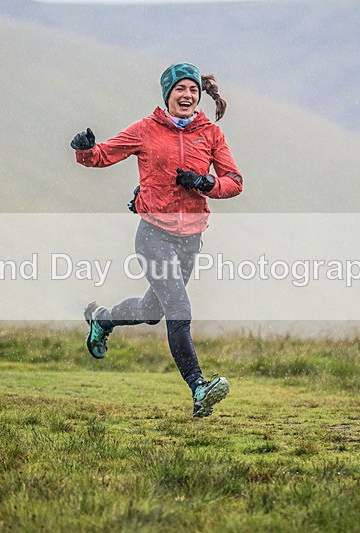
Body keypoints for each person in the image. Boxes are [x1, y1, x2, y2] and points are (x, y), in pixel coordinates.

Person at [70, 63, 243, 417]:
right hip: (153, 236)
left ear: (199, 96)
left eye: (192, 90)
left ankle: (102, 320)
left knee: (153, 312)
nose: (187, 95)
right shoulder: (146, 130)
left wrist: (205, 183)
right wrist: (84, 150)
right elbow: (101, 156)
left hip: (190, 239)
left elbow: (234, 181)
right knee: (179, 309)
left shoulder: (210, 134)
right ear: (167, 95)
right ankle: (199, 389)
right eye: (180, 89)